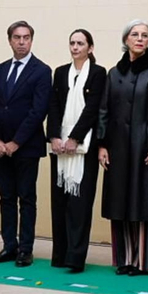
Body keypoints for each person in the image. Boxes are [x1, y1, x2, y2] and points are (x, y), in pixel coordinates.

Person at [98, 20, 148, 275]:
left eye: (145, 35)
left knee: (142, 202)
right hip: (117, 148)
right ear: (126, 39)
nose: (140, 39)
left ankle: (142, 261)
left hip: (144, 147)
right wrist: (102, 144)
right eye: (135, 35)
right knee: (120, 202)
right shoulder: (113, 73)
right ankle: (124, 259)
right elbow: (104, 110)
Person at [0, 20, 50, 266]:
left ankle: (25, 249)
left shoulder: (42, 70)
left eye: (26, 38)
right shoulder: (0, 69)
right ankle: (8, 246)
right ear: (9, 40)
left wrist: (16, 142)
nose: (21, 42)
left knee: (27, 198)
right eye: (17, 37)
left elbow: (38, 111)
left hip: (26, 148)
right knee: (6, 198)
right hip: (0, 149)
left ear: (31, 40)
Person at [47, 29, 106, 273]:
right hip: (60, 146)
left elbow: (93, 108)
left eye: (80, 43)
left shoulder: (99, 73)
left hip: (85, 145)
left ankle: (76, 257)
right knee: (60, 202)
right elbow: (53, 105)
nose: (75, 47)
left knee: (80, 205)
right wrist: (54, 137)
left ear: (90, 48)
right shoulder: (61, 72)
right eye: (72, 43)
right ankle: (60, 255)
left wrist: (75, 138)